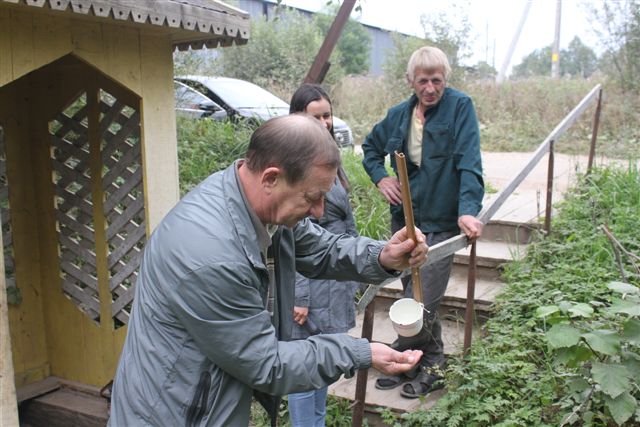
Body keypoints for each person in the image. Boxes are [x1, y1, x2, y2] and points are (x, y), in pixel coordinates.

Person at [108, 113, 427, 426]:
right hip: (173, 414)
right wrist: (360, 352)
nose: (318, 211)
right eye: (313, 197)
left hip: (204, 403)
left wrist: (383, 256)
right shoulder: (210, 254)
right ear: (271, 178)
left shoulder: (257, 204)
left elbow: (320, 247)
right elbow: (266, 363)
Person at [362, 46, 484, 399]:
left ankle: (427, 363)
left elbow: (469, 162)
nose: (430, 88)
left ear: (446, 79)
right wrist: (380, 178)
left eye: (437, 80)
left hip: (444, 221)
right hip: (406, 222)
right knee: (410, 295)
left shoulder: (460, 107)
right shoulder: (399, 115)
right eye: (423, 81)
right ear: (410, 81)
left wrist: (467, 209)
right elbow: (371, 148)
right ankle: (415, 360)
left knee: (422, 299)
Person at [286, 84, 361, 427]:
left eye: (327, 115)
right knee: (304, 368)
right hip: (311, 283)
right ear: (296, 118)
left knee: (324, 365)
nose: (323, 123)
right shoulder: (293, 163)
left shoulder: (328, 155)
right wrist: (298, 296)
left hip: (334, 277)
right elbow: (292, 234)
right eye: (314, 116)